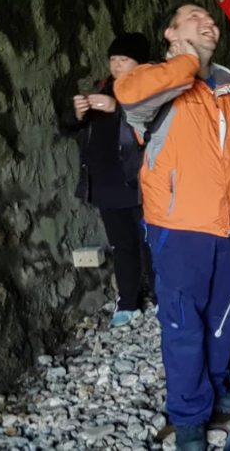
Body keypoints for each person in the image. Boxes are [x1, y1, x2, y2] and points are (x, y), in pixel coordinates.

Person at [115, 2, 230, 451]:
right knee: (183, 323)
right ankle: (188, 417)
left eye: (210, 19)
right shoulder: (156, 79)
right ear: (170, 32)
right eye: (194, 17)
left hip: (228, 227)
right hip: (179, 226)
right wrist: (188, 62)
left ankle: (218, 390)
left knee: (224, 318)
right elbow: (128, 94)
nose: (209, 22)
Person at [67, 32, 154, 327]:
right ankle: (128, 302)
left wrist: (117, 109)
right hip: (106, 183)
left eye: (124, 59)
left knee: (151, 243)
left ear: (140, 64)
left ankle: (162, 297)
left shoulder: (150, 90)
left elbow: (152, 126)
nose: (116, 65)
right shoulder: (101, 87)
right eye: (113, 59)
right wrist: (78, 115)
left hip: (138, 182)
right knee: (121, 245)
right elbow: (69, 128)